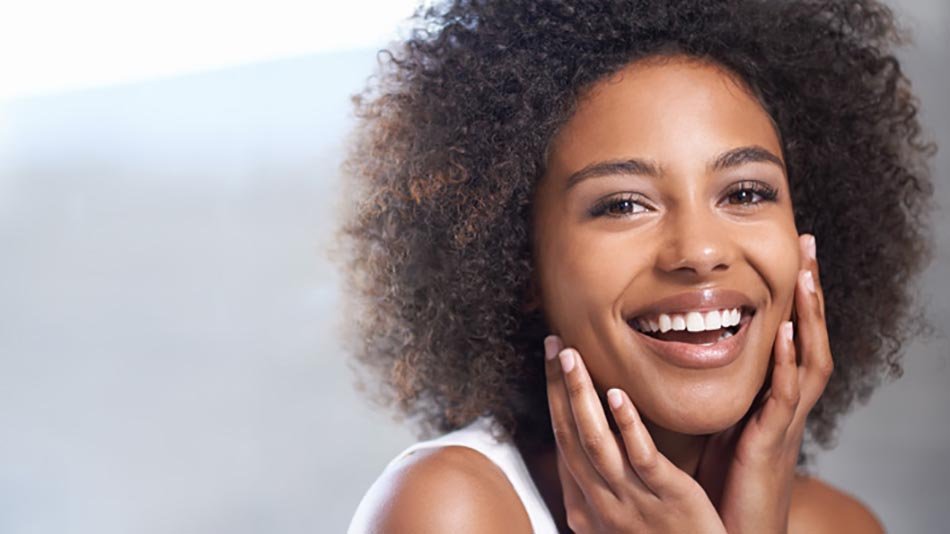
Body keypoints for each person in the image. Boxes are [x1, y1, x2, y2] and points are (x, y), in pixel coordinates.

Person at [337, 0, 935, 532]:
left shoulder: (838, 524)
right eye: (623, 204)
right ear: (520, 265)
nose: (701, 253)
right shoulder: (448, 510)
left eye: (746, 193)